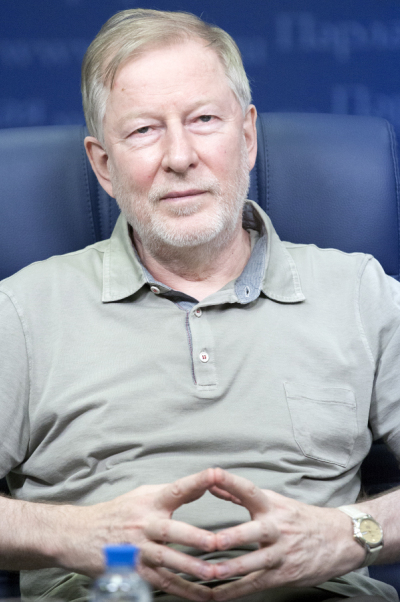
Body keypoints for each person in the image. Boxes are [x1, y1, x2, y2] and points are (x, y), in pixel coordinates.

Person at [0, 8, 399, 602]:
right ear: (104, 166)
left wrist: (350, 532)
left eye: (204, 119)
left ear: (247, 137)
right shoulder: (21, 311)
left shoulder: (362, 292)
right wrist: (74, 534)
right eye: (144, 130)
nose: (180, 156)